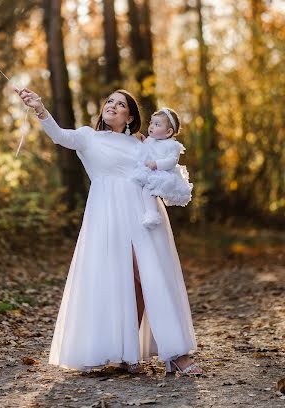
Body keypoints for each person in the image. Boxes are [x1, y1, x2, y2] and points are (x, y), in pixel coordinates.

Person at [16, 87, 202, 376]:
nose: (113, 106)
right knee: (119, 279)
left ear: (129, 117)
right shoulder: (88, 137)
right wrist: (39, 108)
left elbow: (164, 165)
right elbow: (59, 136)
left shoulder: (141, 143)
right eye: (110, 101)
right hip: (107, 214)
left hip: (143, 213)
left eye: (121, 104)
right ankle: (127, 354)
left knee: (147, 277)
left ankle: (174, 352)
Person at [133, 107, 193, 230]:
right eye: (151, 123)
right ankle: (143, 211)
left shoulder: (172, 145)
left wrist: (157, 164)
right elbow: (146, 151)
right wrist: (144, 142)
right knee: (140, 189)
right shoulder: (150, 140)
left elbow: (171, 161)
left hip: (162, 173)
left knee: (148, 191)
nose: (151, 126)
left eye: (157, 124)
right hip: (150, 171)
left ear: (168, 132)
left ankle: (152, 215)